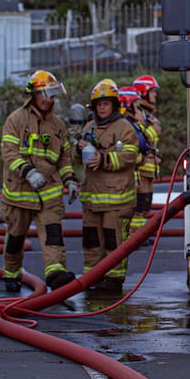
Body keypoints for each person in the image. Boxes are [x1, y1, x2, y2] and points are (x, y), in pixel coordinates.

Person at [0, 70, 80, 293]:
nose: (49, 99)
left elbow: (63, 158)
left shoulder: (58, 126)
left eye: (52, 95)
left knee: (53, 235)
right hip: (19, 193)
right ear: (33, 94)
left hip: (49, 193)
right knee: (15, 238)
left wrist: (70, 179)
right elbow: (9, 153)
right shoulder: (16, 120)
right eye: (45, 94)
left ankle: (56, 275)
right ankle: (12, 274)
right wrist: (28, 172)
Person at [77, 79, 139, 295]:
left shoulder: (124, 128)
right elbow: (77, 159)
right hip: (92, 200)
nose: (102, 107)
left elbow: (130, 155)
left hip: (116, 199)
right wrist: (78, 149)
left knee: (115, 242)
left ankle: (114, 280)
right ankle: (92, 277)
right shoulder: (89, 127)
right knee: (92, 241)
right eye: (98, 104)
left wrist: (102, 160)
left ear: (114, 104)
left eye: (106, 103)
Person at [129, 75, 162, 237]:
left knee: (145, 204)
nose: (155, 95)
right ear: (143, 92)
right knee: (139, 205)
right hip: (140, 169)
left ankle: (140, 235)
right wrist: (153, 129)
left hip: (148, 169)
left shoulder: (146, 113)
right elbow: (140, 138)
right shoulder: (137, 113)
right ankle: (133, 236)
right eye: (152, 92)